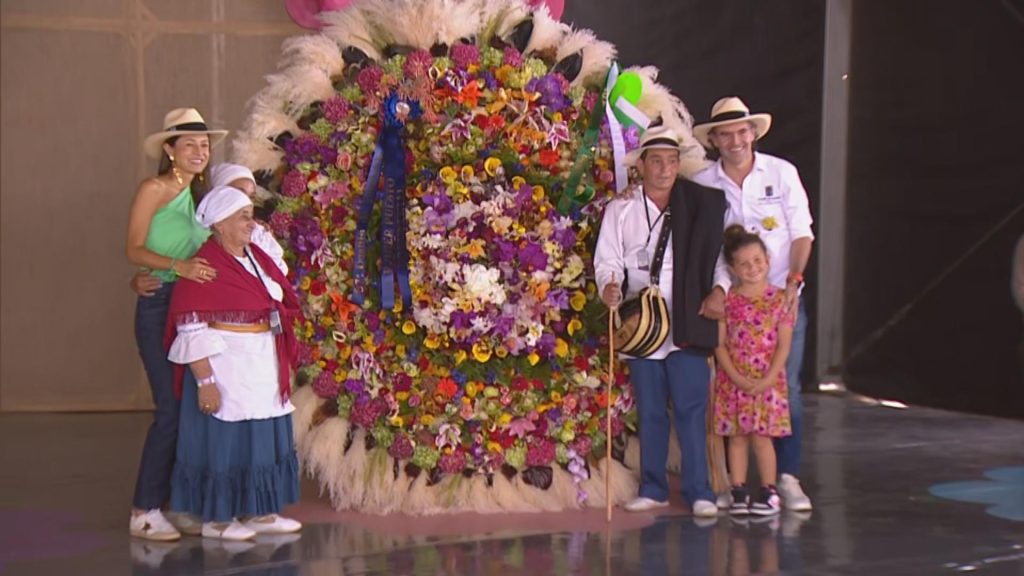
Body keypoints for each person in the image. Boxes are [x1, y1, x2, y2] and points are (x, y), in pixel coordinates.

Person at [594, 126, 726, 518]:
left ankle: (699, 490)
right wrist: (609, 287)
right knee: (650, 408)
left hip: (688, 318)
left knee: (689, 406)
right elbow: (607, 260)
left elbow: (720, 257)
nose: (665, 169)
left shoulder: (700, 205)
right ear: (642, 166)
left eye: (671, 161)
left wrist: (719, 289)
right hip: (642, 323)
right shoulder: (621, 209)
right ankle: (652, 487)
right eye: (657, 161)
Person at [692, 97, 815, 511]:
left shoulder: (781, 173)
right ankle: (737, 483)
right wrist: (719, 293)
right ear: (713, 140)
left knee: (787, 390)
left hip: (781, 297)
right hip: (734, 305)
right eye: (725, 133)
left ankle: (787, 478)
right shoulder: (705, 183)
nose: (735, 139)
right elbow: (708, 251)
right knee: (732, 391)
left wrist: (793, 286)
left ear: (754, 133)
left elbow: (802, 234)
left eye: (742, 131)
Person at [166, 186, 303, 541]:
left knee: (264, 434)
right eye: (242, 216)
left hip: (261, 359)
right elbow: (190, 324)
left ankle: (261, 512)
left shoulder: (256, 257)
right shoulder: (205, 266)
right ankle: (218, 519)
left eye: (250, 214)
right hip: (228, 363)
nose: (250, 222)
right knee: (226, 440)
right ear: (220, 224)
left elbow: (276, 293)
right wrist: (205, 380)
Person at [126, 108, 226, 541]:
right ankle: (145, 510)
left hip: (194, 308)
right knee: (169, 409)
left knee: (192, 410)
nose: (199, 152)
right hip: (161, 302)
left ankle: (179, 503)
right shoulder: (155, 188)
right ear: (169, 149)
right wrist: (175, 267)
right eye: (190, 144)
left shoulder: (205, 197)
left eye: (204, 145)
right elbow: (132, 247)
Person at [714, 225, 794, 516]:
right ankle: (738, 488)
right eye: (744, 264)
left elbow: (784, 345)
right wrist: (735, 377)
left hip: (767, 381)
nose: (753, 268)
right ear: (733, 269)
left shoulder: (779, 299)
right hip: (733, 379)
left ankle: (769, 490)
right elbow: (719, 344)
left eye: (758, 261)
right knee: (736, 437)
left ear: (768, 260)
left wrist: (769, 378)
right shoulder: (728, 300)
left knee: (762, 438)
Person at [130, 163, 287, 295]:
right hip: (179, 298)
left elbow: (276, 275)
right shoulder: (199, 222)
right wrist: (149, 276)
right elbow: (167, 251)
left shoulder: (256, 233)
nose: (244, 200)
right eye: (237, 193)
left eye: (251, 196)